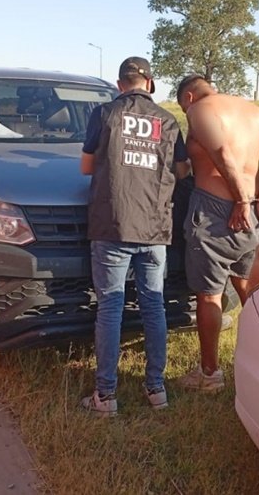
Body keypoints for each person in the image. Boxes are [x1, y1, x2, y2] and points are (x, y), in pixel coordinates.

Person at [79, 57, 190, 416]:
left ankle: (106, 396)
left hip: (113, 224)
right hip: (154, 228)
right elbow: (182, 171)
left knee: (110, 307)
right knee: (153, 305)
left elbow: (85, 166)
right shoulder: (168, 120)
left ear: (119, 84)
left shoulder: (104, 114)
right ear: (150, 84)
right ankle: (156, 389)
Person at [175, 74, 259, 393]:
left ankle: (209, 374)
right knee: (248, 286)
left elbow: (222, 153)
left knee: (210, 295)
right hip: (256, 213)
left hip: (217, 211)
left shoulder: (200, 109)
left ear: (189, 97)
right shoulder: (255, 111)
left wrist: (240, 200)